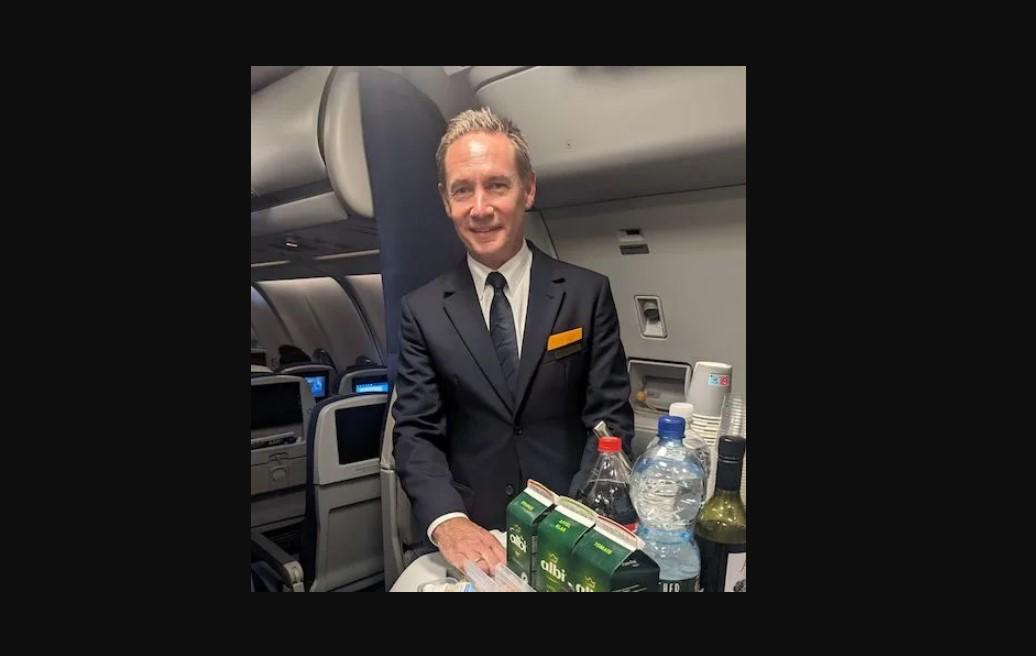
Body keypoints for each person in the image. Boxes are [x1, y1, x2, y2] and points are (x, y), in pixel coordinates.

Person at [392, 107, 634, 574]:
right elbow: (417, 433)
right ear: (445, 200)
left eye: (497, 185)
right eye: (463, 190)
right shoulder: (422, 311)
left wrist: (578, 518)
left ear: (528, 189)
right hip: (475, 535)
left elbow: (609, 420)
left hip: (573, 529)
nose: (479, 208)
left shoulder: (585, 294)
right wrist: (448, 521)